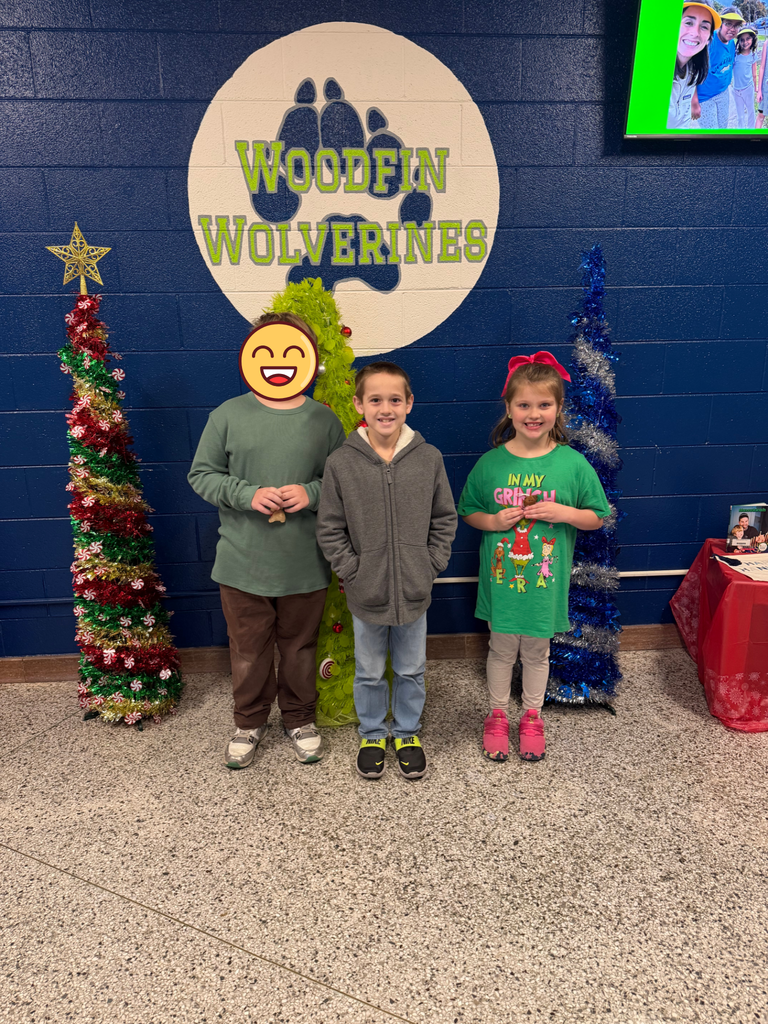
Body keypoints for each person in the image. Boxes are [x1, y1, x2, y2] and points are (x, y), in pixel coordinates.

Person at [188, 311, 345, 769]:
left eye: (291, 351)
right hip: (242, 563)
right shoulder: (228, 415)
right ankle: (249, 720)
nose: (278, 361)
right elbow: (201, 475)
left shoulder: (323, 420)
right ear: (252, 357)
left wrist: (311, 492)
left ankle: (299, 718)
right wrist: (246, 494)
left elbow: (340, 481)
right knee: (249, 649)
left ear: (309, 360)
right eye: (268, 351)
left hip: (304, 562)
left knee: (299, 647)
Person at [457, 352, 611, 764]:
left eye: (544, 404)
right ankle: (495, 715)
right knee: (501, 650)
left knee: (537, 653)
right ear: (508, 408)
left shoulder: (572, 464)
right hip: (501, 586)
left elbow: (598, 516)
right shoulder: (491, 464)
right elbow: (467, 510)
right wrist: (492, 520)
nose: (533, 413)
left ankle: (531, 716)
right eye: (523, 404)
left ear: (559, 408)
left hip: (544, 586)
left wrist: (564, 514)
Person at [317, 361, 457, 780]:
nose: (385, 408)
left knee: (412, 668)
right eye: (375, 399)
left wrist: (429, 565)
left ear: (409, 404)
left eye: (395, 399)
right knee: (370, 670)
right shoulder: (341, 463)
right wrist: (352, 571)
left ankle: (408, 733)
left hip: (415, 590)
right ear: (360, 404)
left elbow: (444, 519)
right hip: (366, 592)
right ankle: (374, 733)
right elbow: (329, 526)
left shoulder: (428, 458)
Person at [668, 3, 719, 129]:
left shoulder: (694, 71)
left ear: (708, 40)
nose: (695, 33)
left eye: (704, 27)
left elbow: (683, 122)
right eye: (688, 23)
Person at [697, 7, 745, 129]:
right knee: (711, 133)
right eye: (728, 24)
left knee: (723, 127)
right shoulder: (708, 41)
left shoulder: (732, 43)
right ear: (720, 24)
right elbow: (692, 72)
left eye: (736, 25)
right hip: (705, 97)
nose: (732, 29)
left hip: (723, 92)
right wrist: (694, 101)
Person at [733, 27, 759, 129]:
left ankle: (751, 131)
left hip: (748, 88)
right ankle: (741, 133)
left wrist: (756, 87)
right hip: (736, 90)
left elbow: (754, 74)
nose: (745, 42)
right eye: (742, 40)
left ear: (752, 39)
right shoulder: (735, 55)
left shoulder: (753, 55)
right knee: (740, 116)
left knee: (751, 111)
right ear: (738, 41)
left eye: (748, 39)